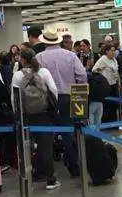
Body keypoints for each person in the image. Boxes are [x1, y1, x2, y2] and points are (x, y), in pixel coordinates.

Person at [36, 28, 87, 177]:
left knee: (46, 135)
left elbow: (36, 78)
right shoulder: (71, 55)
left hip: (48, 99)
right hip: (70, 96)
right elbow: (82, 75)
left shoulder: (39, 57)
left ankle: (43, 170)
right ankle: (74, 168)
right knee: (70, 133)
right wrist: (80, 95)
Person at [12, 49, 60, 190]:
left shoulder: (17, 75)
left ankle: (27, 178)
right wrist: (52, 109)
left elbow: (14, 98)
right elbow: (54, 90)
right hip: (43, 115)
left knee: (26, 148)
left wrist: (18, 115)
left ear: (22, 60)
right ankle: (51, 179)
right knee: (46, 148)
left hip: (26, 117)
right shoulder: (44, 72)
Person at [92, 44, 120, 125]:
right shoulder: (103, 59)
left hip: (113, 84)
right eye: (111, 50)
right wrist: (100, 71)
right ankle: (106, 123)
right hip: (105, 86)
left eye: (114, 50)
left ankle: (113, 122)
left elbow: (116, 71)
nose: (113, 52)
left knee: (113, 105)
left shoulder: (114, 59)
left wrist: (119, 81)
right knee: (107, 105)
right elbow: (94, 70)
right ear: (107, 51)